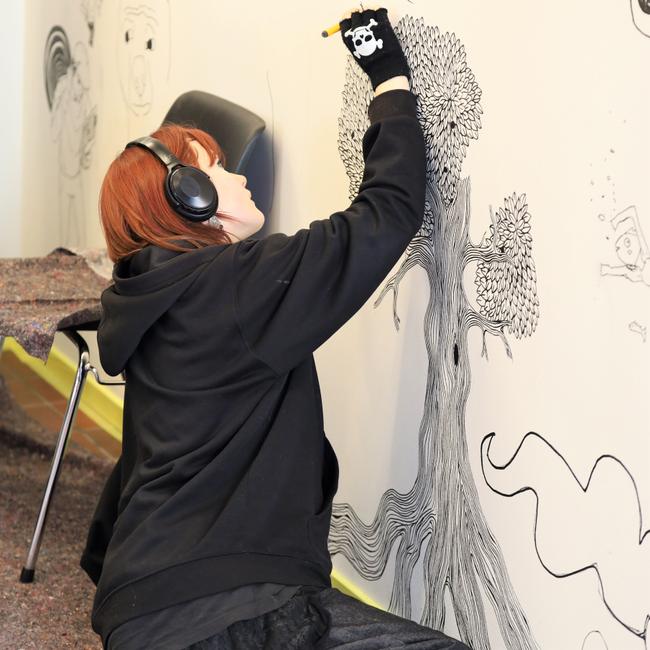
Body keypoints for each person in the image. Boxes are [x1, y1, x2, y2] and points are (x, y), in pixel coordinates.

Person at [80, 7, 472, 650]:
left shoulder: (145, 296)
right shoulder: (238, 284)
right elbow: (387, 212)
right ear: (190, 198)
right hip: (226, 610)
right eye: (218, 168)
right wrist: (388, 77)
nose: (238, 176)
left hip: (143, 606)